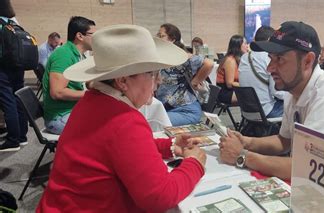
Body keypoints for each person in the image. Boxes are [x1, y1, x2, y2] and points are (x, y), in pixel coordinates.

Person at [37, 24, 207, 212]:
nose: (158, 81)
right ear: (123, 81)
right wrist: (194, 163)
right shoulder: (125, 120)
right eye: (151, 73)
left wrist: (171, 146)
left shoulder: (93, 102)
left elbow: (124, 150)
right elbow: (159, 197)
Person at [218, 21, 324, 212]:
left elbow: (304, 168)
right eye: (270, 58)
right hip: (314, 183)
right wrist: (247, 141)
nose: (270, 68)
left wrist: (242, 156)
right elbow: (285, 140)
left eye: (280, 59)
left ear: (307, 61)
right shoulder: (294, 90)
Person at [42, 16, 96, 134]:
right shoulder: (64, 55)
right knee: (106, 127)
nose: (97, 39)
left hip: (72, 110)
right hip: (59, 117)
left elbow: (84, 82)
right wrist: (92, 95)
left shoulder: (78, 55)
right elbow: (57, 92)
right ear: (80, 36)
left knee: (110, 116)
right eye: (93, 35)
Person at [155, 23, 213, 126]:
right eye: (158, 35)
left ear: (172, 39)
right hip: (166, 108)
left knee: (154, 122)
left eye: (161, 36)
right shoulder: (164, 57)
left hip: (185, 110)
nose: (158, 38)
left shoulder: (182, 57)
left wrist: (195, 81)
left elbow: (209, 63)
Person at [239, 26, 287, 118]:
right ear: (269, 40)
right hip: (266, 111)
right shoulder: (268, 58)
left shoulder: (244, 57)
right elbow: (277, 92)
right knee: (295, 107)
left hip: (247, 111)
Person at [0, 0, 28, 151]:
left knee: (8, 102)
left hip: (4, 69)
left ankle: (13, 140)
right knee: (17, 100)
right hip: (19, 67)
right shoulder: (14, 23)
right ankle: (22, 136)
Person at [216, 34, 248, 104]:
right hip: (225, 93)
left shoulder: (238, 59)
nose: (247, 46)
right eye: (245, 43)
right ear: (238, 45)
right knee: (253, 98)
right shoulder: (230, 60)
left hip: (234, 90)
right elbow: (229, 84)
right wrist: (247, 85)